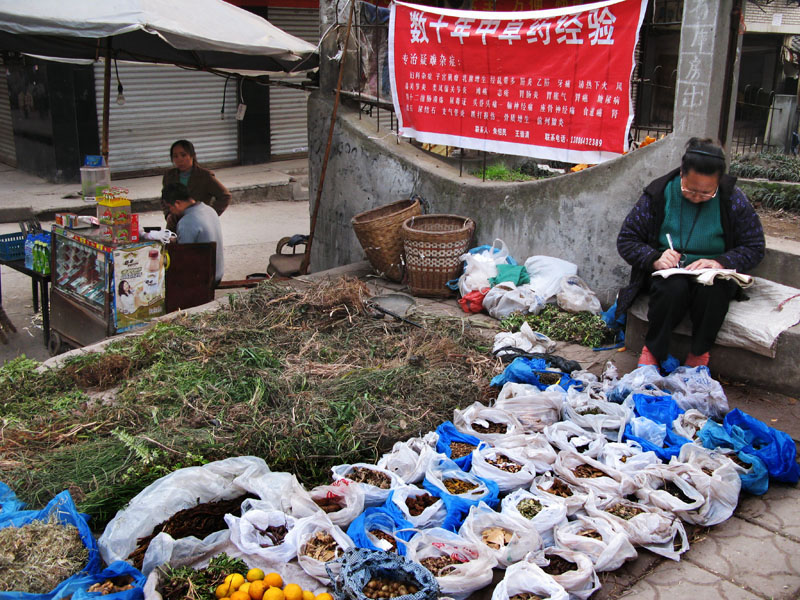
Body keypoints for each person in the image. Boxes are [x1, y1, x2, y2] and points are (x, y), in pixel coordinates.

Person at [616, 137, 765, 368]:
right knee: (671, 288)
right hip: (669, 272)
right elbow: (627, 239)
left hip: (711, 273)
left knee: (713, 292)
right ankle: (654, 350)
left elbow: (754, 246)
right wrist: (654, 259)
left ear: (719, 182)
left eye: (706, 193)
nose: (697, 197)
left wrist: (720, 262)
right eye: (690, 190)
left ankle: (699, 353)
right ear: (682, 174)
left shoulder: (732, 198)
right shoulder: (660, 193)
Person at [161, 183, 225, 285]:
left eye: (170, 207)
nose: (170, 211)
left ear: (177, 203)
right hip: (218, 272)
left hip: (204, 279)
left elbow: (182, 258)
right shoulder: (209, 209)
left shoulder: (186, 222)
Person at [161, 139, 231, 231]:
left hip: (197, 224)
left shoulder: (205, 176)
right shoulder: (169, 176)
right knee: (174, 244)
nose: (179, 160)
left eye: (183, 155)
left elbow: (225, 196)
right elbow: (164, 198)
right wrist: (168, 214)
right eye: (175, 156)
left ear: (192, 155)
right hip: (175, 224)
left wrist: (209, 214)